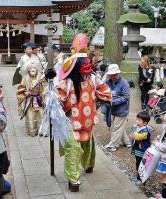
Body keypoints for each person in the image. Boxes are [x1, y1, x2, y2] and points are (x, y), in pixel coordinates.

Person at [57, 34, 112, 192]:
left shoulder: (93, 79)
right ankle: (73, 179)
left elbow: (106, 92)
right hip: (72, 122)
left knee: (89, 143)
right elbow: (57, 98)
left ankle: (88, 165)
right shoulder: (66, 82)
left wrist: (102, 99)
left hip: (88, 120)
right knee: (73, 149)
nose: (87, 69)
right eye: (84, 66)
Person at [102, 64, 131, 152]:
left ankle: (113, 145)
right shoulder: (107, 82)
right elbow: (103, 92)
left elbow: (126, 96)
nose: (113, 76)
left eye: (115, 74)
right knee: (119, 126)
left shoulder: (124, 83)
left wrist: (113, 101)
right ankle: (127, 142)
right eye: (111, 75)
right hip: (112, 109)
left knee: (116, 128)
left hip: (122, 109)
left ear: (118, 74)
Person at [17, 62, 47, 137]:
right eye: (31, 70)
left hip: (39, 99)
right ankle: (32, 131)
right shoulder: (25, 79)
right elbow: (20, 89)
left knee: (41, 115)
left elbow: (45, 88)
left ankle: (42, 131)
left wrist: (41, 88)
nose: (33, 71)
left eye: (34, 69)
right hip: (30, 100)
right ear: (28, 71)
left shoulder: (41, 78)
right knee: (31, 116)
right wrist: (25, 93)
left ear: (37, 70)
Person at [130, 111, 153, 184]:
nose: (136, 121)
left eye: (139, 120)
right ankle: (139, 177)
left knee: (141, 164)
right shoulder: (137, 127)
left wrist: (134, 132)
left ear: (145, 123)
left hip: (142, 150)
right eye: (137, 119)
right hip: (137, 149)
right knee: (138, 163)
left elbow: (138, 137)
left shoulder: (145, 130)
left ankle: (141, 179)